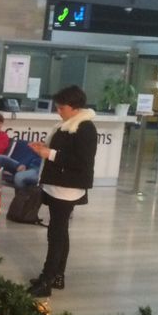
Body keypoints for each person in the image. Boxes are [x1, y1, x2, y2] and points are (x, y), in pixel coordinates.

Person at [27, 85, 97, 297]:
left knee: (56, 234)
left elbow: (81, 162)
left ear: (75, 107)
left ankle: (47, 279)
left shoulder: (85, 128)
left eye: (61, 107)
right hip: (57, 185)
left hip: (67, 189)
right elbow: (61, 152)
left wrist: (50, 154)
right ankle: (57, 276)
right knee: (59, 232)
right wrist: (44, 149)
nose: (58, 111)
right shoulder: (66, 124)